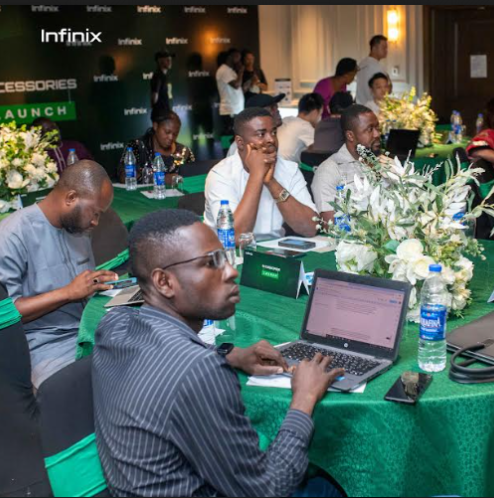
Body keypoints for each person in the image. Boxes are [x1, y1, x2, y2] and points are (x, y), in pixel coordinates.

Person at [93, 209, 344, 497]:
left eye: (224, 256)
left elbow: (166, 359)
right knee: (334, 485)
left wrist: (228, 353)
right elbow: (267, 489)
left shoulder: (113, 324)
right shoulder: (201, 371)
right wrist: (304, 399)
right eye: (211, 263)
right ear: (163, 282)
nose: (231, 271)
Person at [0, 160, 117, 388]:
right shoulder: (10, 236)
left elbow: (79, 288)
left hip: (89, 329)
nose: (95, 222)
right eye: (94, 213)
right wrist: (67, 293)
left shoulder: (78, 228)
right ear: (71, 198)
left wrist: (94, 282)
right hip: (43, 345)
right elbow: (2, 314)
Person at [204, 107, 318, 238]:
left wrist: (272, 183)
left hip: (275, 251)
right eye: (261, 134)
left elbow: (311, 228)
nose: (271, 139)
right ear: (240, 143)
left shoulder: (289, 169)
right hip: (230, 254)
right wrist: (256, 174)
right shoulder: (221, 175)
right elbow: (233, 237)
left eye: (274, 132)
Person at [312, 104, 381, 226]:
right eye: (370, 129)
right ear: (350, 136)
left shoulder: (382, 164)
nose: (377, 134)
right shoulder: (330, 170)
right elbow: (330, 226)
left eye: (377, 128)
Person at [118, 110, 195, 183]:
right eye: (167, 132)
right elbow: (123, 176)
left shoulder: (184, 151)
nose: (171, 137)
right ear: (155, 126)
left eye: (175, 134)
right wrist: (161, 179)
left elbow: (195, 176)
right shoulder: (136, 146)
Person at [277, 93, 324, 163]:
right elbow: (322, 148)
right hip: (286, 168)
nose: (320, 118)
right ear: (315, 112)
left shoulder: (286, 119)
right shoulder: (305, 126)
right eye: (320, 114)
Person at [216, 49, 245, 136]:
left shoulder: (230, 70)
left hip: (235, 109)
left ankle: (230, 149)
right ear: (230, 57)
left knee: (234, 136)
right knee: (228, 135)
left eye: (240, 58)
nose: (239, 61)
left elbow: (238, 88)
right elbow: (236, 85)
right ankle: (226, 150)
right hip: (229, 109)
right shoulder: (224, 70)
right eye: (237, 57)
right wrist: (241, 71)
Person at [356, 35, 390, 105]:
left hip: (360, 106)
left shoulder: (361, 64)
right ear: (374, 48)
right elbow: (387, 90)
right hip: (373, 107)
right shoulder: (377, 67)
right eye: (383, 48)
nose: (386, 51)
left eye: (386, 48)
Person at [151, 49, 175, 116]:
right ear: (159, 61)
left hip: (167, 113)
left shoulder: (165, 76)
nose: (170, 61)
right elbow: (154, 99)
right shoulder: (158, 76)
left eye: (170, 59)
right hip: (161, 116)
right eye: (167, 59)